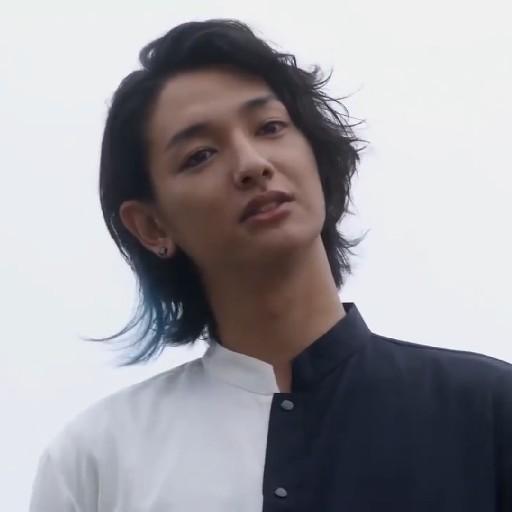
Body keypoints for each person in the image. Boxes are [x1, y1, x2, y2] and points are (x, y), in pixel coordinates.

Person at [29, 18, 512, 511]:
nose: (252, 163)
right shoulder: (95, 462)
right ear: (152, 226)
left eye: (270, 127)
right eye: (200, 155)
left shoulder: (490, 410)